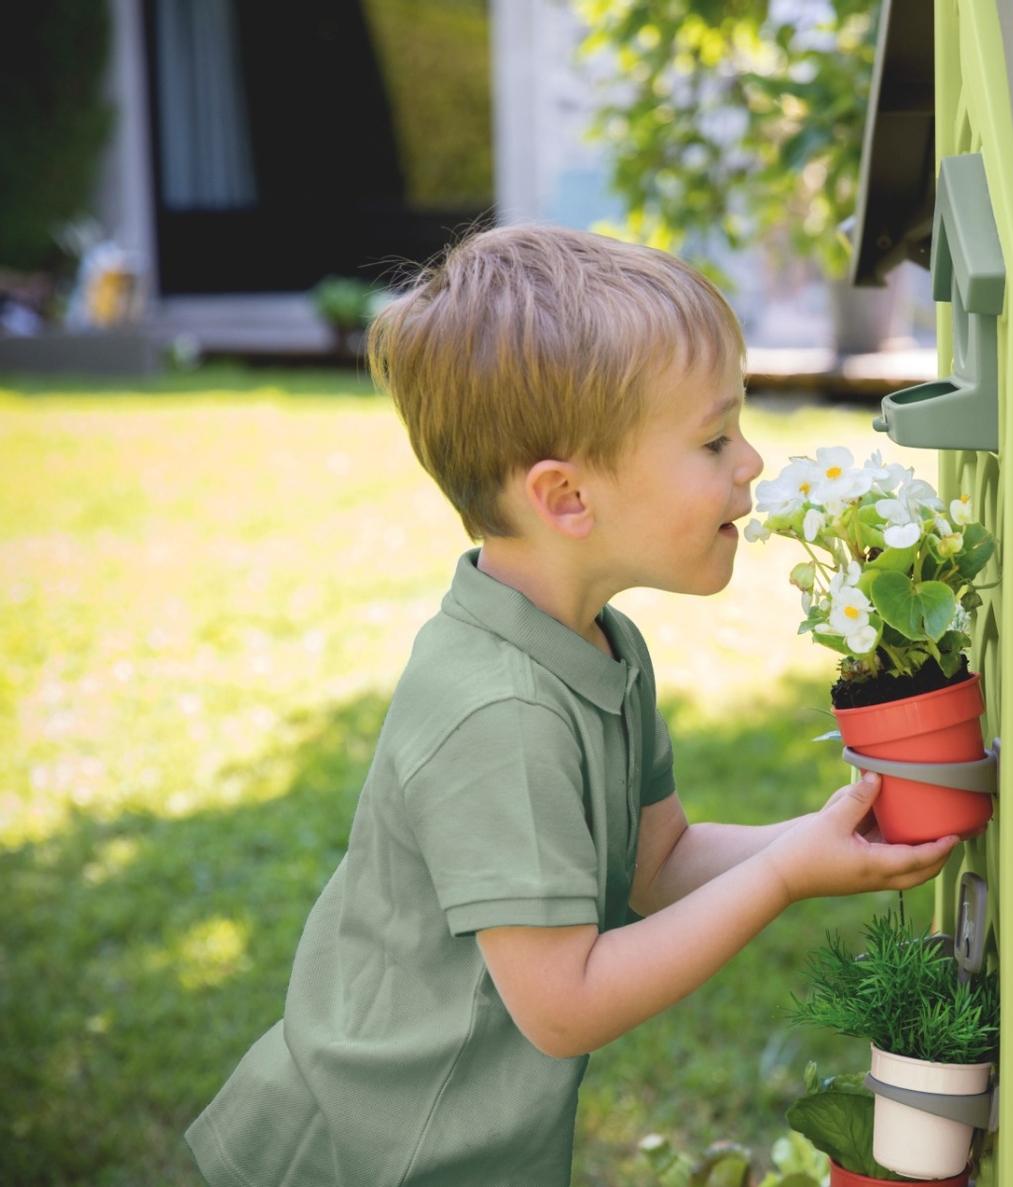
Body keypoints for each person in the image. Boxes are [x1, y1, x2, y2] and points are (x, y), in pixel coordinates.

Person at [184, 225, 956, 1187]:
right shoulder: (497, 712)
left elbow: (658, 864)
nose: (752, 461)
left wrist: (826, 834)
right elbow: (564, 1004)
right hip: (367, 1155)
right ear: (567, 498)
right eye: (714, 438)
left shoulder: (600, 647)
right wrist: (783, 878)